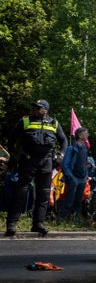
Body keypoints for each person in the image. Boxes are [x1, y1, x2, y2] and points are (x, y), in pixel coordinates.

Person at [5, 99, 68, 237]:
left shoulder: (54, 123)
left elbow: (64, 140)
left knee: (44, 194)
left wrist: (61, 155)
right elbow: (12, 138)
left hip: (46, 162)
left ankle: (38, 224)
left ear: (45, 110)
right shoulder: (25, 121)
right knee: (21, 192)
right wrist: (14, 156)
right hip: (28, 161)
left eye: (38, 108)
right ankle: (11, 224)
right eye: (34, 107)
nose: (34, 109)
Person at [58, 127, 90, 222]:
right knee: (69, 199)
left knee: (78, 200)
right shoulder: (71, 148)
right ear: (80, 136)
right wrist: (70, 176)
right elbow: (64, 164)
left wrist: (85, 176)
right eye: (85, 133)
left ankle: (74, 219)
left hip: (82, 178)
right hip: (74, 177)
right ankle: (61, 219)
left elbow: (84, 163)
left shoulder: (85, 148)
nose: (87, 135)